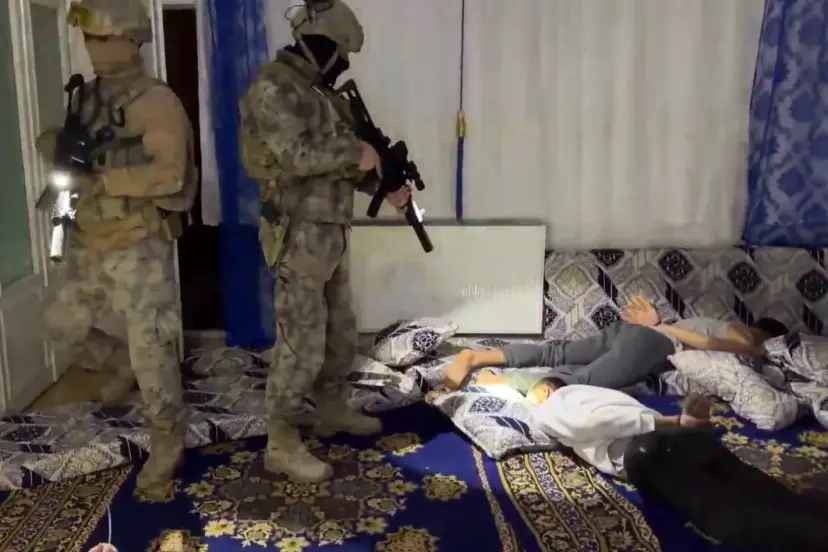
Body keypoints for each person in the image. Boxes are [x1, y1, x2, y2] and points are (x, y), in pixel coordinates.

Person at [239, 0, 411, 483]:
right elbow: (296, 155)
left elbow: (341, 168)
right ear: (319, 44)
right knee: (301, 339)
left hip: (329, 232)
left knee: (339, 329)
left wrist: (384, 183)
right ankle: (281, 440)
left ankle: (331, 407)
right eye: (340, 52)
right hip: (296, 232)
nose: (344, 62)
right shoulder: (274, 85)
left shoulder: (321, 94)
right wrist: (357, 152)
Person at [37, 0, 197, 500]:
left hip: (137, 243)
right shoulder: (86, 96)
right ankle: (122, 366)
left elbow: (171, 175)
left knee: (153, 351)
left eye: (104, 38)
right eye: (90, 39)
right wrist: (56, 147)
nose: (95, 49)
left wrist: (104, 180)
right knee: (61, 324)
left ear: (132, 39)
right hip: (89, 238)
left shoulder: (157, 102)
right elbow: (64, 147)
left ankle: (167, 439)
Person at [481, 373, 828, 552]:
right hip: (681, 438)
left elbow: (589, 424)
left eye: (532, 396)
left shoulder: (552, 406)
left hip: (651, 449)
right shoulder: (600, 392)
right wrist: (677, 424)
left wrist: (670, 420)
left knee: (726, 518)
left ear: (544, 390)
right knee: (760, 488)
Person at [445, 297, 789, 391]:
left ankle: (476, 357)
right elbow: (714, 344)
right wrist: (658, 324)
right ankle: (503, 383)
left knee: (559, 352)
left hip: (634, 332)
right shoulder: (750, 337)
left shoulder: (717, 324)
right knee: (588, 381)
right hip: (653, 341)